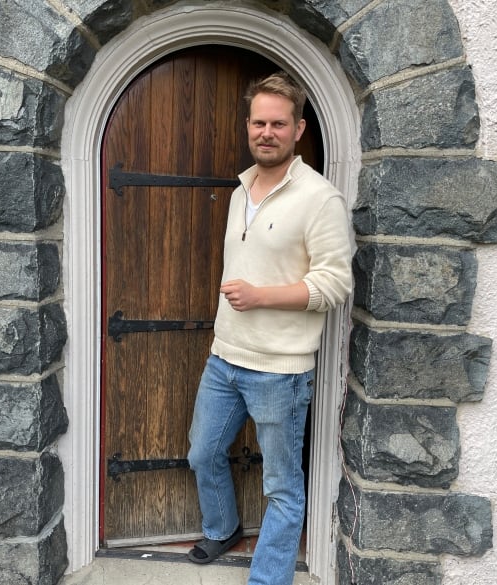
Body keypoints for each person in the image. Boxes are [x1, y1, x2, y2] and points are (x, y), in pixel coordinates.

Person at [186, 72, 353, 585]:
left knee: (281, 485)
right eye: (259, 122)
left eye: (278, 123)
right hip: (225, 357)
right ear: (248, 126)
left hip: (279, 370)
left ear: (298, 129)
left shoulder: (319, 198)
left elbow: (335, 284)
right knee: (203, 452)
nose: (267, 132)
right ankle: (223, 527)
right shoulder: (242, 188)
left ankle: (268, 579)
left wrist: (261, 297)